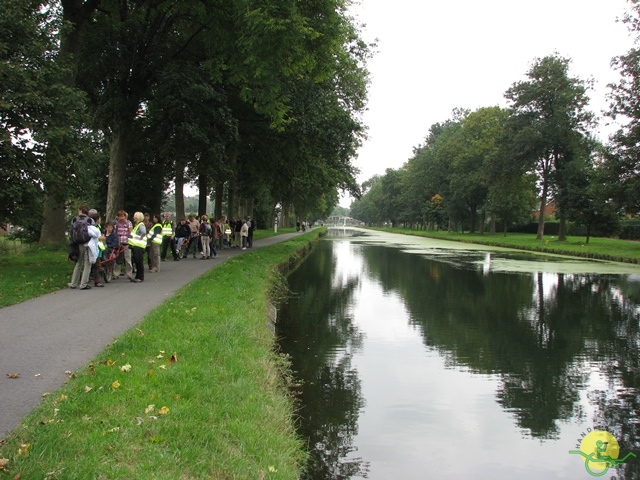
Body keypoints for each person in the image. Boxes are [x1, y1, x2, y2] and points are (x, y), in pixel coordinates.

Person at [69, 205, 95, 290]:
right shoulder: (90, 220)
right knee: (87, 263)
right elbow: (92, 232)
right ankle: (83, 284)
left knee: (78, 263)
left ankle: (73, 283)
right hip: (87, 243)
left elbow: (71, 232)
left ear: (80, 210)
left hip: (77, 244)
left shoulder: (74, 219)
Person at [113, 210, 133, 280]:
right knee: (118, 258)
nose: (121, 218)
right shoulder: (117, 224)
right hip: (119, 242)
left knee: (127, 258)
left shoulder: (128, 223)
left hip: (126, 242)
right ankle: (116, 273)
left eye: (122, 216)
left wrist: (130, 241)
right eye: (120, 216)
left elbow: (131, 233)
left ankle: (129, 273)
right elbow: (115, 232)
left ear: (125, 216)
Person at [128, 211, 147, 283]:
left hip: (139, 246)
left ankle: (140, 277)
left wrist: (139, 238)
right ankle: (137, 276)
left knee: (139, 262)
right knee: (137, 261)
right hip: (136, 246)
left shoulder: (141, 225)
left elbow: (143, 232)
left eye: (134, 216)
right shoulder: (138, 225)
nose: (133, 218)